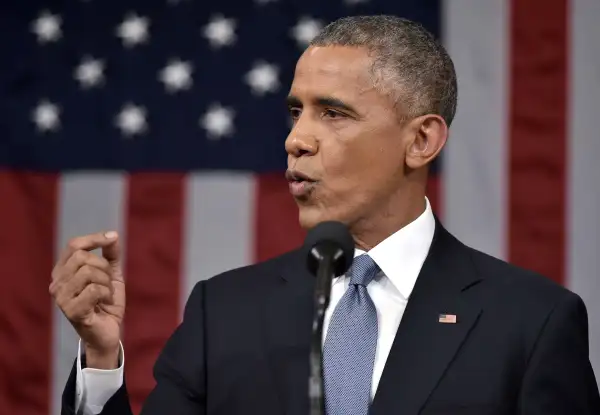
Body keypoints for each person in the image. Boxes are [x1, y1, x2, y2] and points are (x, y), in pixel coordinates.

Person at [50, 15, 600, 415]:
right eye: (295, 112)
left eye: (333, 114)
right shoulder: (225, 311)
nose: (296, 139)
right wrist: (100, 359)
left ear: (422, 140)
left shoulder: (531, 324)